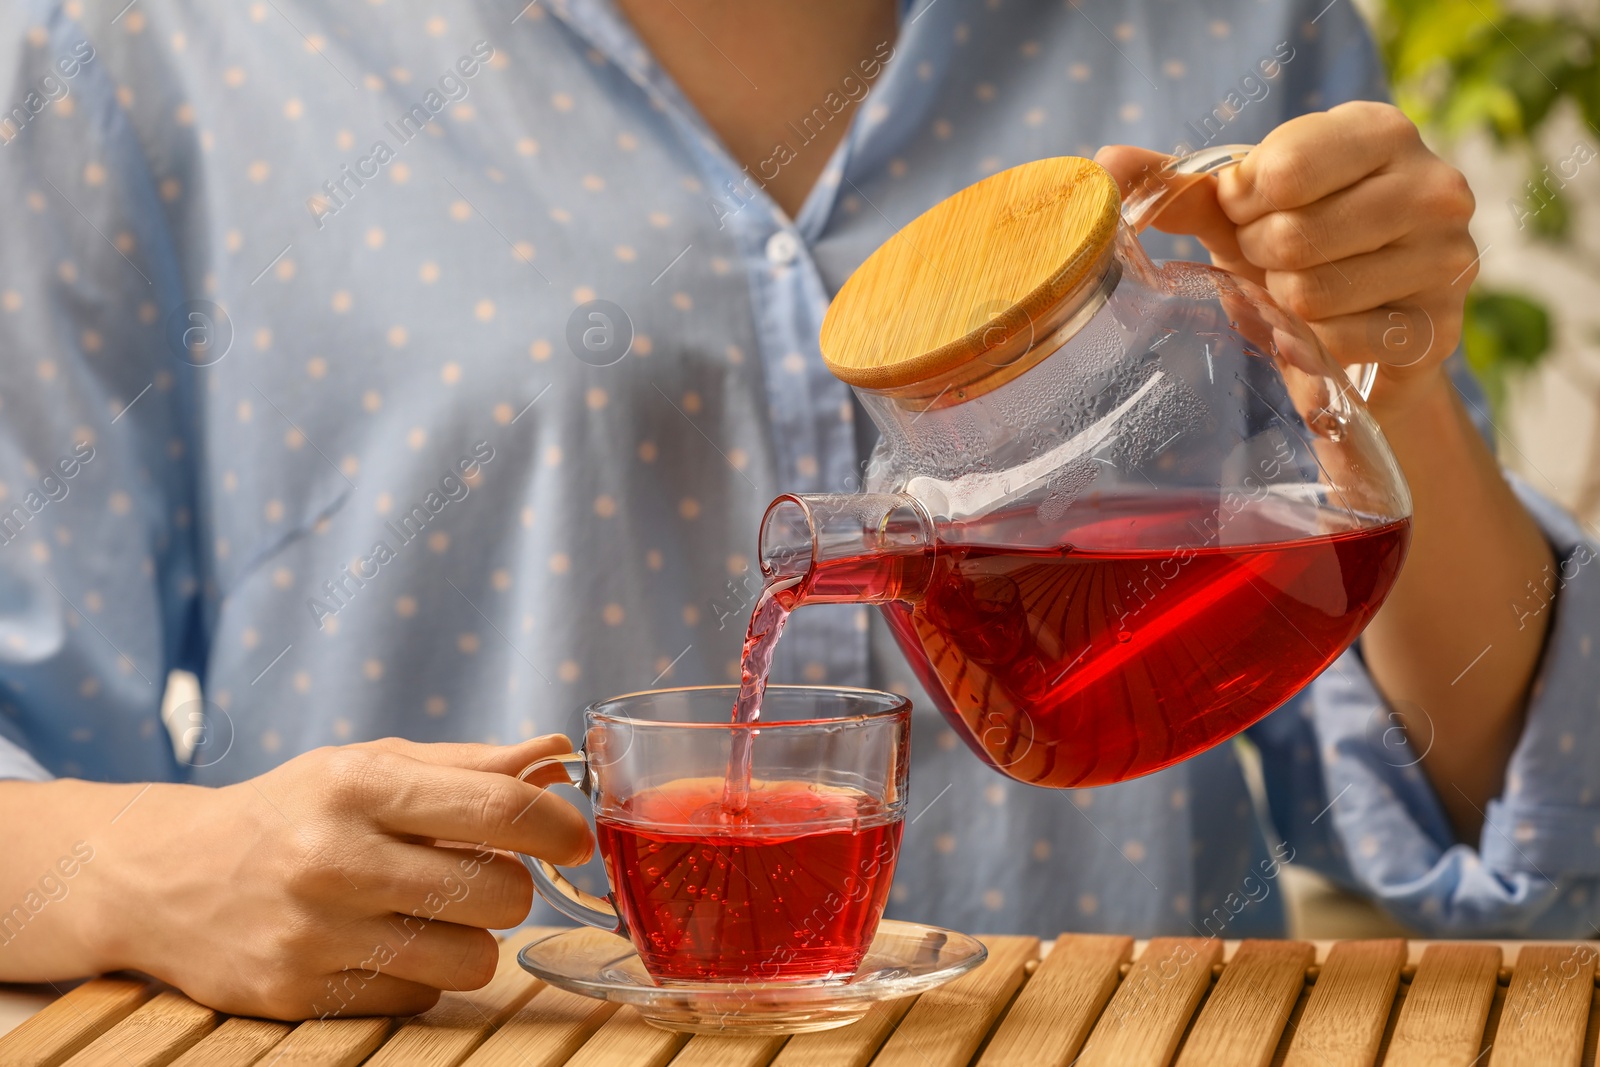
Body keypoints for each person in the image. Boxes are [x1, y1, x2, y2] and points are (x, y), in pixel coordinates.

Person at [0, 0, 1593, 1021]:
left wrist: (1391, 376)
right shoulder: (155, 45)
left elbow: (1515, 844)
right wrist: (158, 864)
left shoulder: (1219, 22)